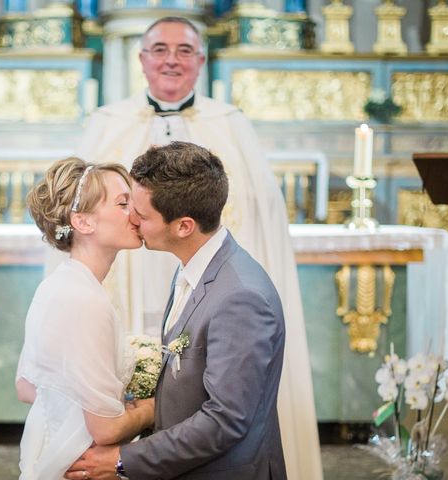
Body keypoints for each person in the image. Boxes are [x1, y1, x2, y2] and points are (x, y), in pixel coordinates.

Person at [76, 16, 322, 480]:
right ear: (142, 59)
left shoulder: (229, 125)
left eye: (184, 50)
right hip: (148, 285)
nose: (171, 60)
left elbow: (261, 210)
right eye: (160, 49)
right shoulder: (108, 123)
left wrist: (124, 458)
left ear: (201, 61)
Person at [66, 141, 286, 480]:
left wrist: (123, 460)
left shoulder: (240, 298)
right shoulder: (195, 267)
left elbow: (224, 421)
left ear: (184, 226)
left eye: (141, 213)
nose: (132, 220)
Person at [14, 158, 155, 480]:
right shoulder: (85, 300)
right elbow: (105, 430)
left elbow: (26, 386)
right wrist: (150, 408)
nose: (136, 212)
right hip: (80, 463)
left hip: (58, 451)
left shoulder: (59, 284)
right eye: (123, 203)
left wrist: (81, 407)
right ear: (83, 222)